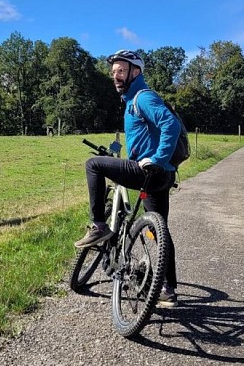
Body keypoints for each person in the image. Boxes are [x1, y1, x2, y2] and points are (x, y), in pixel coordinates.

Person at [74, 49, 181, 306]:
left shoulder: (142, 98)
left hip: (151, 170)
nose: (116, 76)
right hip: (162, 174)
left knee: (93, 165)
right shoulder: (132, 100)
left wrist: (156, 158)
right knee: (160, 232)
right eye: (113, 73)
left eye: (121, 71)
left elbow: (171, 125)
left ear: (136, 71)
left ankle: (98, 225)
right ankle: (166, 288)